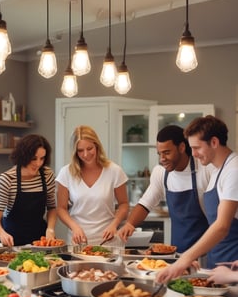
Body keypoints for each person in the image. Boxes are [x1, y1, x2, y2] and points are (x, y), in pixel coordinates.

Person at [157, 115, 238, 283]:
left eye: (196, 148)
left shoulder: (234, 171)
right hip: (217, 263)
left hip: (232, 265)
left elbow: (222, 226)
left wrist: (185, 258)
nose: (192, 153)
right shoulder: (217, 171)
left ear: (214, 142)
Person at [118, 125, 212, 253]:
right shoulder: (161, 173)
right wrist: (130, 224)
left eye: (167, 153)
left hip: (206, 250)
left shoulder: (204, 170)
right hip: (177, 251)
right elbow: (145, 203)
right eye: (159, 154)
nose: (162, 159)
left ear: (182, 147)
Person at [56, 125, 129, 245]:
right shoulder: (66, 173)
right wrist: (75, 227)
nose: (85, 154)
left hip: (108, 240)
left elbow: (124, 204)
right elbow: (61, 209)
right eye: (80, 150)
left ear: (97, 146)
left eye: (89, 148)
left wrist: (114, 225)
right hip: (78, 241)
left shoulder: (114, 171)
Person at [0, 134, 57, 246]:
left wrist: (50, 229)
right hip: (12, 239)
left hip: (40, 239)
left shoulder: (47, 175)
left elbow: (52, 208)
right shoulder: (7, 179)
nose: (38, 163)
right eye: (33, 158)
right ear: (23, 156)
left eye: (42, 158)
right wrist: (1, 233)